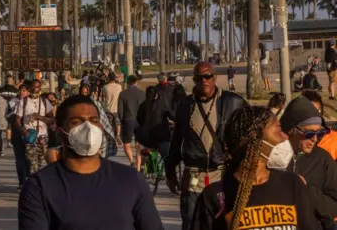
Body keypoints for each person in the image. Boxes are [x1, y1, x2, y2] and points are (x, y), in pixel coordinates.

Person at [18, 95, 163, 230]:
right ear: (60, 132)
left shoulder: (131, 180)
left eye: (94, 121)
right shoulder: (39, 187)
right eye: (76, 122)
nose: (88, 128)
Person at [191, 106, 316, 230]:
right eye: (278, 131)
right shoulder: (215, 195)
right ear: (255, 140)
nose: (285, 137)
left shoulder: (292, 185)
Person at [165, 62, 247, 230]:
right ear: (194, 80)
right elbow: (176, 140)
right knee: (192, 223)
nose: (204, 80)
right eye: (199, 77)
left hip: (221, 176)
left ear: (215, 77)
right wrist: (170, 171)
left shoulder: (233, 102)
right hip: (194, 178)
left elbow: (248, 136)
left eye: (208, 76)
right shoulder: (185, 105)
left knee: (224, 224)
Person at [280, 96, 337, 229]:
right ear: (291, 130)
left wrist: (306, 189)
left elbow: (334, 207)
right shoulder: (271, 158)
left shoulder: (323, 160)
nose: (315, 139)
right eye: (309, 133)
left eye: (320, 132)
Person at [15, 79, 54, 176]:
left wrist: (41, 117)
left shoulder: (45, 102)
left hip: (42, 136)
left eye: (37, 86)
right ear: (30, 87)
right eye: (33, 86)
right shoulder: (23, 102)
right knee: (32, 162)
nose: (35, 88)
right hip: (29, 136)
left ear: (40, 88)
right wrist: (23, 130)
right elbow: (17, 120)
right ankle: (34, 183)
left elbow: (52, 119)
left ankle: (36, 181)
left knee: (40, 162)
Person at [118, 75, 146, 171]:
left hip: (128, 120)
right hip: (140, 121)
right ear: (136, 82)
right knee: (138, 144)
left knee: (126, 143)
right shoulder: (142, 94)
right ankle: (138, 167)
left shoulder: (122, 94)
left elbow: (120, 111)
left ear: (128, 83)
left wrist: (122, 122)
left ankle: (131, 161)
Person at [302, 89, 337, 161]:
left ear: (322, 113)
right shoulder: (292, 139)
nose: (312, 115)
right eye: (307, 111)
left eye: (317, 111)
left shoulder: (334, 140)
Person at [10, 83, 30, 191]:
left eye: (25, 90)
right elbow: (7, 116)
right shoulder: (13, 102)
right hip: (17, 134)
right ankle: (22, 182)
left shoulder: (33, 103)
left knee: (29, 159)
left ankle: (29, 180)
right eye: (21, 90)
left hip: (30, 135)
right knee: (20, 160)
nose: (22, 92)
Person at [102, 72, 122, 143]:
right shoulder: (119, 86)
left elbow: (103, 97)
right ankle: (118, 135)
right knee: (118, 122)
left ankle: (109, 137)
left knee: (108, 124)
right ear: (114, 78)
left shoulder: (105, 87)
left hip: (108, 108)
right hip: (116, 108)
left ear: (108, 78)